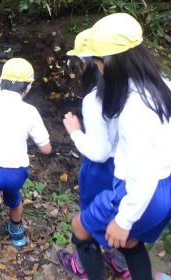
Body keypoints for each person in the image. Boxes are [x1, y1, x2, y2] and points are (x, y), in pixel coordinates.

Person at [66, 13, 171, 280]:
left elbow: (140, 178)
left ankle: (90, 273)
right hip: (169, 187)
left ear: (108, 64)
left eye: (97, 61)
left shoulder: (132, 109)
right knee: (131, 242)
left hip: (138, 192)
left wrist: (123, 220)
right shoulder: (168, 89)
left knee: (80, 225)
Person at [58, 29, 129, 279]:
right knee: (121, 211)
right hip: (129, 167)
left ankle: (85, 264)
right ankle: (121, 261)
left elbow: (98, 152)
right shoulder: (133, 89)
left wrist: (76, 132)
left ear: (89, 63)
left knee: (90, 214)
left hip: (101, 168)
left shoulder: (94, 99)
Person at [0, 58, 52, 247]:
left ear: (1, 80)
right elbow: (46, 148)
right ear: (28, 88)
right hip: (17, 172)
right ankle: (16, 230)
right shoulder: (30, 111)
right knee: (15, 198)